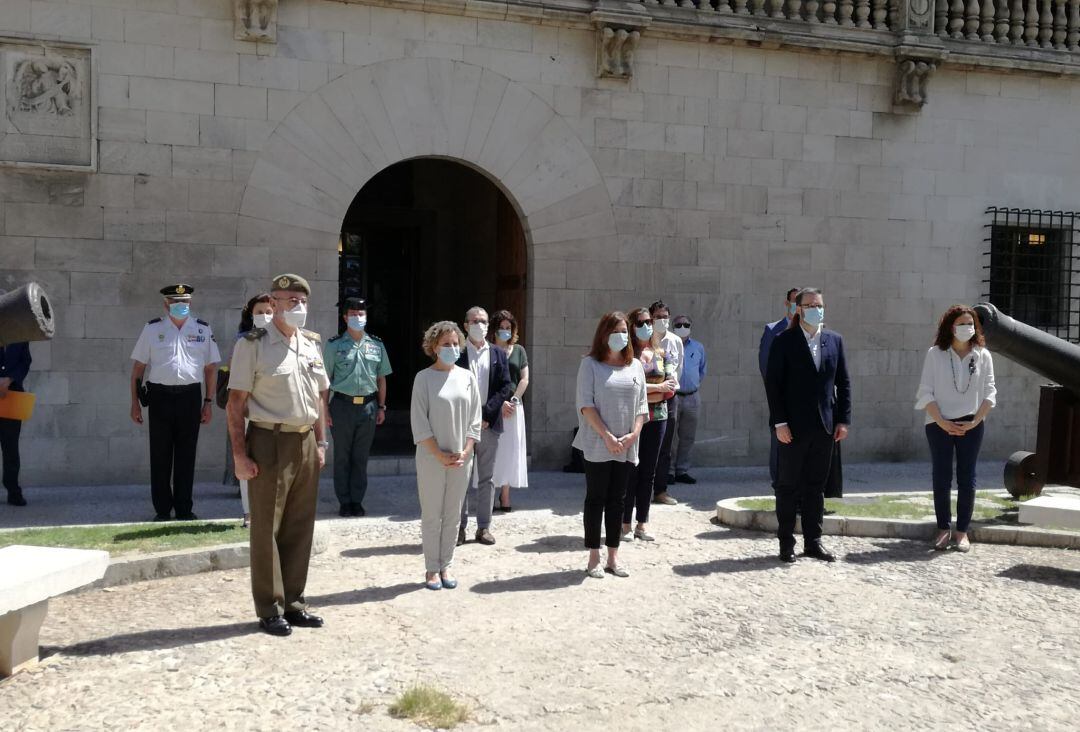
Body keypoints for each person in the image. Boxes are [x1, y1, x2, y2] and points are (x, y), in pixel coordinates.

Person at [227, 273, 330, 637]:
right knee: (267, 528)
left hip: (304, 440)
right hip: (269, 441)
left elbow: (319, 396)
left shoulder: (311, 343)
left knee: (299, 526)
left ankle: (294, 601)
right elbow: (235, 403)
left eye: (301, 301)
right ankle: (270, 608)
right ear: (273, 302)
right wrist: (240, 455)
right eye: (287, 300)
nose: (295, 307)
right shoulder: (253, 344)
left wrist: (321, 443)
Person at [765, 287, 851, 564]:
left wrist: (843, 420)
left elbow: (843, 383)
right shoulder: (783, 341)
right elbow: (773, 386)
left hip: (825, 427)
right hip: (792, 427)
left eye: (820, 304)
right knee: (788, 486)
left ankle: (813, 541)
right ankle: (786, 542)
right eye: (811, 305)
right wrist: (780, 423)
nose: (816, 309)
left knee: (815, 487)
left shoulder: (834, 340)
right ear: (799, 309)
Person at [130, 284, 220, 521]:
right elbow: (138, 369)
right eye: (175, 302)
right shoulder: (152, 329)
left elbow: (211, 369)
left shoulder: (202, 329)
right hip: (160, 397)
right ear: (165, 304)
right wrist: (134, 403)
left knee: (186, 455)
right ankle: (161, 509)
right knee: (159, 455)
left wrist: (208, 401)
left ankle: (184, 508)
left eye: (185, 302)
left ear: (190, 303)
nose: (181, 306)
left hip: (190, 396)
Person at [915, 306, 996, 553]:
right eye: (961, 323)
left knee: (967, 477)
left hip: (971, 424)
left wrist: (974, 421)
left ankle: (962, 532)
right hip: (939, 424)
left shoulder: (983, 355)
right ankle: (943, 529)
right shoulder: (935, 354)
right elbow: (925, 391)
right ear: (950, 326)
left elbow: (990, 392)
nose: (966, 328)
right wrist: (941, 421)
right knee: (942, 476)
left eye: (970, 324)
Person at [574, 311, 648, 578]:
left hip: (627, 443)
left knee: (618, 500)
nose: (620, 336)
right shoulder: (590, 365)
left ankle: (613, 557)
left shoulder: (635, 366)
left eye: (624, 331)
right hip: (597, 443)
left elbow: (642, 406)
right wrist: (607, 436)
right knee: (596, 499)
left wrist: (633, 434)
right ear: (604, 334)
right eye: (615, 331)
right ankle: (593, 556)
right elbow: (585, 404)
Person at [411, 321, 482, 591]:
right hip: (431, 458)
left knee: (453, 514)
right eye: (446, 344)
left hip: (462, 458)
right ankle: (431, 567)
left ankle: (446, 564)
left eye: (455, 344)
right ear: (433, 347)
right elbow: (419, 422)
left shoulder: (467, 377)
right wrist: (438, 453)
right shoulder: (423, 379)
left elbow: (476, 418)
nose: (452, 348)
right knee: (432, 514)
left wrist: (466, 450)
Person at [324, 297, 392, 518]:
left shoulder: (376, 344)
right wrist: (324, 409)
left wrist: (381, 406)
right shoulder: (334, 345)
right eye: (352, 314)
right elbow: (325, 380)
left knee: (360, 457)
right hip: (342, 406)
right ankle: (344, 501)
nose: (357, 317)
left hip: (368, 407)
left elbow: (381, 378)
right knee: (342, 456)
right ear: (345, 317)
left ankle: (357, 500)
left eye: (361, 314)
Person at [456, 306, 513, 546]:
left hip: (489, 423)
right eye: (475, 321)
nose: (480, 325)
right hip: (462, 425)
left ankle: (484, 527)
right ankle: (459, 528)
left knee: (486, 478)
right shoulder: (456, 352)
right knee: (461, 477)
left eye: (484, 321)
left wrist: (488, 412)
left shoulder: (498, 354)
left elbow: (505, 386)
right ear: (466, 325)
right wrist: (471, 417)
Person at [621, 308, 677, 543]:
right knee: (631, 470)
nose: (647, 325)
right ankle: (625, 525)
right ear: (633, 325)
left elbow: (670, 385)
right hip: (635, 418)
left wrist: (657, 390)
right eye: (642, 322)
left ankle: (641, 524)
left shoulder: (660, 352)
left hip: (659, 416)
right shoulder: (627, 354)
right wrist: (657, 389)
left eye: (649, 321)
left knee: (649, 472)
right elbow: (633, 386)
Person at [222, 294, 274, 528]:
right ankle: (248, 512)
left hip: (274, 411)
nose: (265, 316)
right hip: (249, 410)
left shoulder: (286, 340)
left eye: (269, 311)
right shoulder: (244, 341)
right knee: (248, 461)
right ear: (251, 315)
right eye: (260, 312)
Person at [759, 288, 799, 491]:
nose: (798, 306)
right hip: (781, 399)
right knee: (779, 441)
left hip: (805, 403)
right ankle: (779, 485)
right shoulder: (773, 330)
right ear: (787, 303)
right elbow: (766, 368)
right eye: (795, 301)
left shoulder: (813, 331)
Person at [491, 310, 529, 512]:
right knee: (493, 450)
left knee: (510, 450)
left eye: (508, 328)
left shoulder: (519, 350)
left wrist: (514, 399)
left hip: (514, 407)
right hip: (493, 407)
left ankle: (505, 495)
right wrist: (498, 404)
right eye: (501, 328)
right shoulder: (488, 350)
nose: (505, 331)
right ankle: (489, 492)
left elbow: (524, 378)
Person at [649, 300, 683, 505]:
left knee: (665, 445)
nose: (662, 320)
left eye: (665, 317)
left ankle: (660, 490)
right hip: (648, 396)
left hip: (669, 398)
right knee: (645, 443)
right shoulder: (645, 340)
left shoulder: (675, 341)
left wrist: (668, 388)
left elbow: (679, 370)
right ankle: (639, 488)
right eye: (658, 317)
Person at [671, 314, 706, 484]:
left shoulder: (698, 347)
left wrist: (693, 384)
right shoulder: (668, 345)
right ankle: (668, 471)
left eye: (686, 324)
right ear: (673, 327)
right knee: (670, 437)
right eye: (679, 324)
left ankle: (682, 470)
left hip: (692, 397)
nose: (682, 327)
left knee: (688, 436)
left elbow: (702, 370)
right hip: (673, 396)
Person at [0, 340, 32, 507]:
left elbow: (25, 362)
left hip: (12, 397)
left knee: (11, 447)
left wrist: (9, 379)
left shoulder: (20, 336)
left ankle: (13, 491)